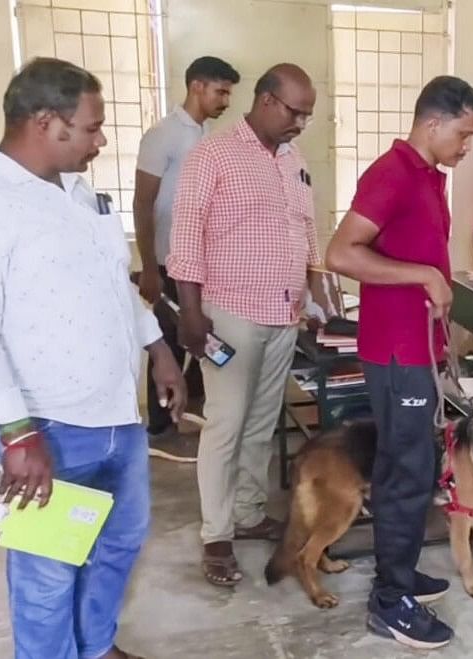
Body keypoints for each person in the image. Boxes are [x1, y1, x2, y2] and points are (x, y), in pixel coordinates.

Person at [0, 57, 186, 659]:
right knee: (47, 569)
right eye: (92, 127)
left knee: (119, 543)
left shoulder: (76, 191)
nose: (101, 140)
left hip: (115, 412)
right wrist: (16, 434)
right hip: (43, 424)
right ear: (47, 122)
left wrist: (157, 347)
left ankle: (94, 647)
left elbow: (111, 284)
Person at [326, 75, 473, 650]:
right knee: (406, 475)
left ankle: (402, 571)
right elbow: (341, 252)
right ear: (433, 123)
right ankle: (390, 601)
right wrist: (422, 275)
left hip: (418, 347)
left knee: (416, 469)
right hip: (395, 352)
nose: (467, 146)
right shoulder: (390, 174)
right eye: (464, 134)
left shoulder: (427, 178)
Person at [167, 63, 322, 588]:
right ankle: (217, 534)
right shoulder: (212, 155)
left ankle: (250, 513)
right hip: (229, 314)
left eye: (308, 115)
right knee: (226, 425)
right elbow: (186, 235)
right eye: (295, 112)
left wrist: (317, 298)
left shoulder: (294, 160)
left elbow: (307, 231)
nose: (301, 123)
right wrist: (190, 312)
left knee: (261, 424)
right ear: (266, 100)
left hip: (282, 314)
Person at [134, 55, 239, 460]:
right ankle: (160, 427)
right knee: (166, 343)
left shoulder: (209, 135)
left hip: (204, 263)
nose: (226, 100)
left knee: (201, 340)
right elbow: (144, 204)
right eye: (221, 91)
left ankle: (188, 412)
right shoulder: (162, 136)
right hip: (166, 260)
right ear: (197, 86)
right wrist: (148, 267)